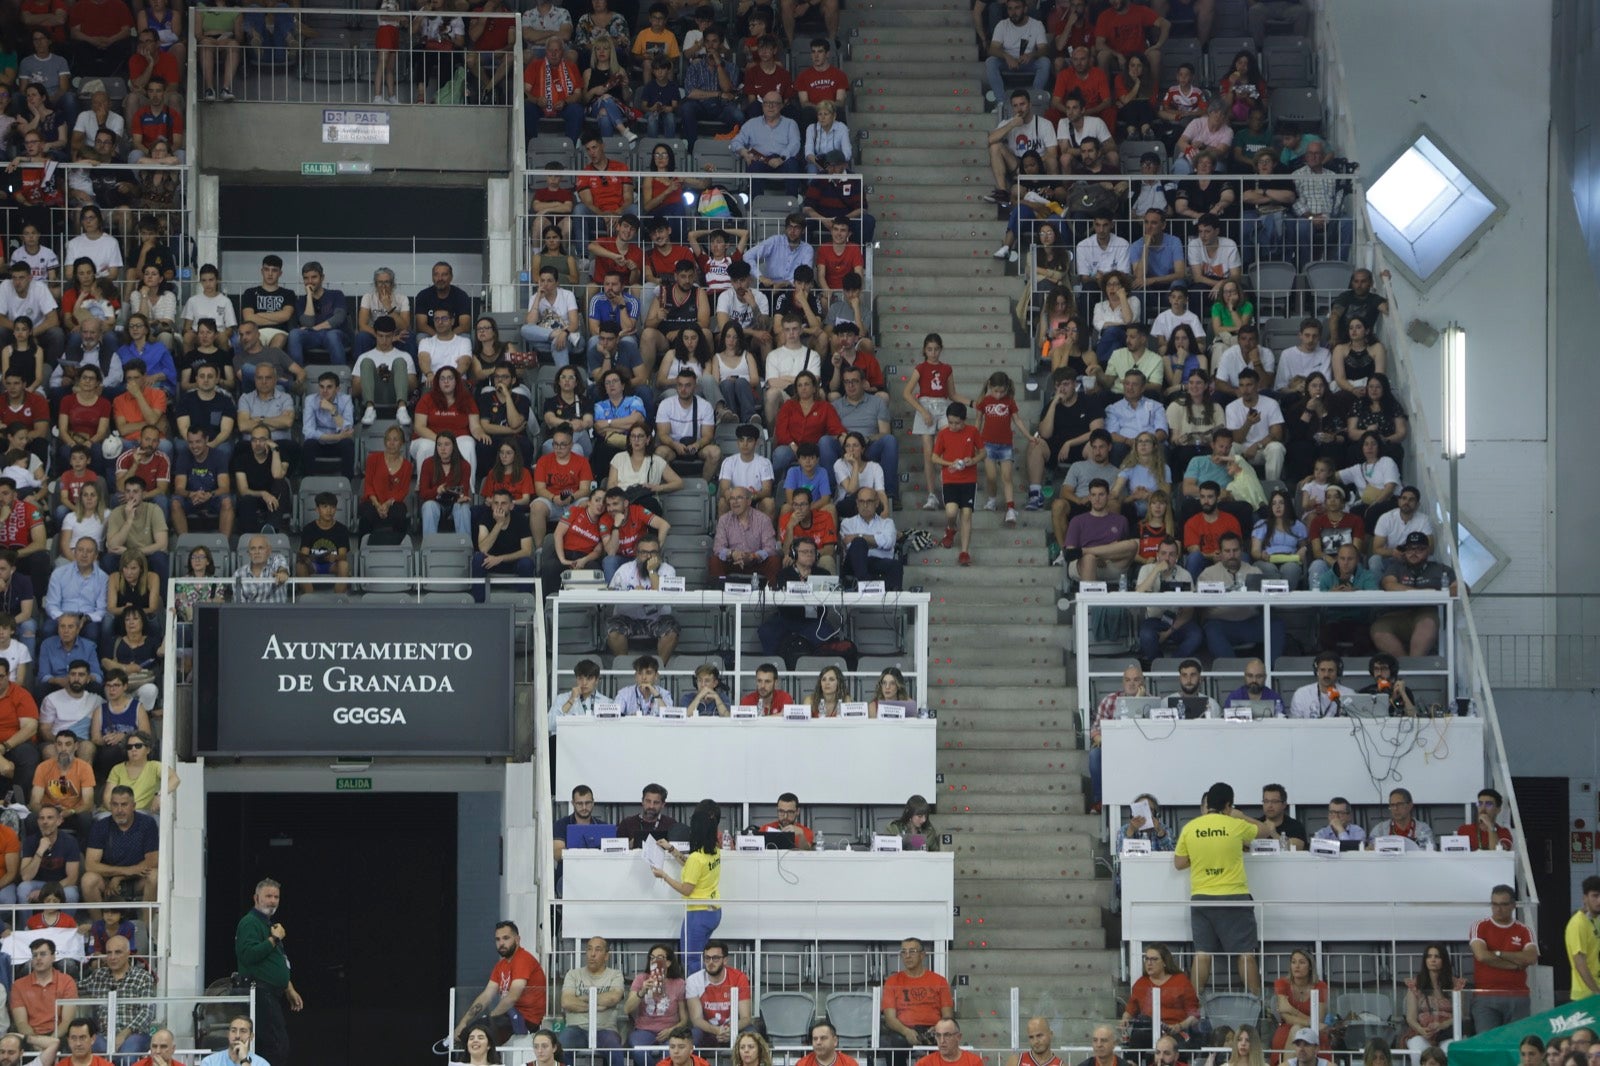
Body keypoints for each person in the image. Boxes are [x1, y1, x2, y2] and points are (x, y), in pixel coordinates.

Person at [1174, 781, 1271, 993]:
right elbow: (1266, 830)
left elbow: (1179, 863)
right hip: (1234, 896)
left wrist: (1199, 858)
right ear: (1228, 805)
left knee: (1202, 954)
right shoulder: (1235, 825)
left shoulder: (1190, 827)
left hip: (1201, 897)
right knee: (1245, 954)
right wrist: (1241, 816)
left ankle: (1193, 1004)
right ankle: (1258, 1003)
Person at [232, 878, 303, 1065]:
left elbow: (277, 961)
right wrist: (273, 939)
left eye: (276, 897)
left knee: (272, 1043)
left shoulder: (267, 924)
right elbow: (247, 955)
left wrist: (289, 988)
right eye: (268, 896)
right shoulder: (250, 923)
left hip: (271, 993)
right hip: (259, 992)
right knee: (276, 1044)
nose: (273, 901)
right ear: (256, 898)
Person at [655, 799, 723, 972]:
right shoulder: (714, 850)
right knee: (703, 958)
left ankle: (695, 988)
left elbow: (686, 889)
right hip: (714, 912)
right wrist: (671, 849)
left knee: (691, 959)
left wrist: (664, 876)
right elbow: (692, 867)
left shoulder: (696, 858)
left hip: (698, 914)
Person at [455, 921, 548, 1045]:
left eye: (506, 938)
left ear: (517, 940)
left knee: (477, 1035)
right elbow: (486, 996)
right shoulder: (500, 965)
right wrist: (464, 1021)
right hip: (508, 1016)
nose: (501, 943)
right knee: (466, 1033)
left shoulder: (523, 959)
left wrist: (491, 1018)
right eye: (498, 939)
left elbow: (512, 997)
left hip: (526, 1019)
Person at [1469, 885, 1536, 1031]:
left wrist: (1498, 953)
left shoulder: (1524, 930)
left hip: (1518, 996)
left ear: (1513, 905)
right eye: (1494, 904)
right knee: (1488, 1042)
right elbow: (1482, 956)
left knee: (1517, 1041)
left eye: (1503, 904)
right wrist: (1515, 965)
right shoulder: (1480, 926)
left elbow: (1531, 957)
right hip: (1486, 995)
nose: (1498, 909)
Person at [80, 933, 154, 1057]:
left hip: (135, 1034)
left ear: (128, 953)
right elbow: (72, 988)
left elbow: (147, 1012)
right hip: (103, 1035)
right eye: (109, 953)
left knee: (127, 1055)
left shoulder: (143, 977)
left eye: (118, 952)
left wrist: (125, 1033)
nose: (112, 957)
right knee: (90, 1044)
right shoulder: (98, 976)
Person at [881, 938, 954, 1060]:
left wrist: (937, 1028)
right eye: (904, 952)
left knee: (946, 1039)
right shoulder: (892, 981)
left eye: (912, 951)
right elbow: (890, 1018)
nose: (907, 956)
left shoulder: (939, 981)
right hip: (903, 1029)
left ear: (922, 955)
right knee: (891, 1044)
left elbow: (948, 1015)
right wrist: (906, 1032)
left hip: (933, 1028)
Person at [1121, 943, 1201, 1050]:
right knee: (1142, 1022)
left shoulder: (1181, 981)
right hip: (1147, 1032)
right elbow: (1129, 1012)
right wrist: (1125, 1019)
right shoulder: (1141, 983)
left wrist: (1179, 1026)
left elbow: (1194, 1015)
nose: (1149, 963)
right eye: (1147, 959)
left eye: (1154, 959)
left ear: (1164, 962)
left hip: (1175, 1033)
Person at [561, 936, 625, 1054]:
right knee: (563, 1044)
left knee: (614, 1048)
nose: (592, 954)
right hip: (576, 1028)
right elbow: (567, 1002)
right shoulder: (573, 974)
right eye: (589, 949)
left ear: (606, 956)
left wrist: (582, 999)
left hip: (605, 1029)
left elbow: (613, 998)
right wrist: (598, 1006)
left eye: (598, 950)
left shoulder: (615, 975)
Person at [11, 939, 77, 1053]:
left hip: (58, 1034)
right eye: (34, 955)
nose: (38, 958)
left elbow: (67, 1021)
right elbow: (21, 1023)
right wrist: (36, 1041)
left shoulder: (67, 982)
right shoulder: (18, 985)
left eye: (43, 954)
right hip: (30, 1036)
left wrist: (50, 1042)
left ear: (53, 957)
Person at [625, 945, 687, 1066]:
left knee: (671, 1053)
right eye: (652, 958)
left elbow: (684, 1019)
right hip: (644, 1029)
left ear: (668, 962)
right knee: (638, 1051)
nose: (654, 961)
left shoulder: (678, 983)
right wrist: (642, 991)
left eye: (659, 958)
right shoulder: (641, 979)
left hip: (670, 1030)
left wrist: (671, 1031)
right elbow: (627, 1008)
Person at [684, 944, 753, 1047]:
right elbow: (696, 1019)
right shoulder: (693, 980)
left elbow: (746, 1017)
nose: (710, 962)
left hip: (734, 1028)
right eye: (707, 958)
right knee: (694, 1035)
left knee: (752, 1033)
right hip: (707, 1030)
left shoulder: (739, 978)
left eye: (715, 958)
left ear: (725, 960)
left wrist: (730, 1030)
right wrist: (717, 1030)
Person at [1369, 788, 1434, 850]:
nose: (1395, 808)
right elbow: (1370, 852)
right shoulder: (1380, 830)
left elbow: (1429, 853)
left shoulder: (1423, 829)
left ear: (1410, 805)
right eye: (1392, 805)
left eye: (1399, 804)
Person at [1571, 877, 1600, 1002]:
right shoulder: (1578, 924)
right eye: (1595, 896)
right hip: (1585, 995)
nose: (1599, 900)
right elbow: (1580, 963)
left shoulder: (1595, 920)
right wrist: (1597, 993)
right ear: (1585, 898)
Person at [197, 1018, 266, 1066]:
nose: (237, 1036)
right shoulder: (210, 1062)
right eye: (233, 1031)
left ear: (251, 1036)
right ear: (228, 1034)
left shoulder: (261, 1064)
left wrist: (244, 1060)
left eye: (243, 1031)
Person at [916, 1021, 984, 1066]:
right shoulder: (924, 1064)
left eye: (947, 1035)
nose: (942, 1041)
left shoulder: (974, 1062)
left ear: (958, 1037)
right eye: (938, 1035)